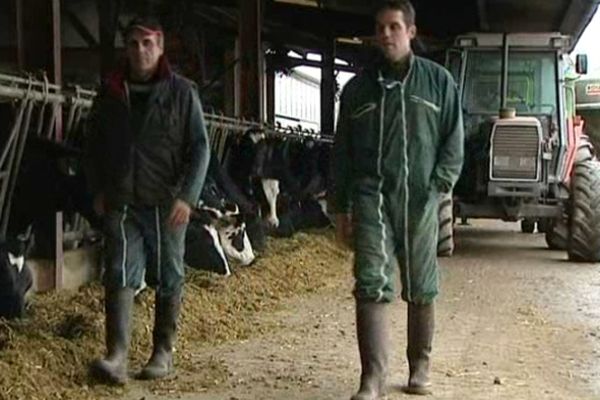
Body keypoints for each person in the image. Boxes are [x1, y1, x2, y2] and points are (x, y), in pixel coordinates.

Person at [329, 1, 464, 398]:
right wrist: (339, 207)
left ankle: (419, 367)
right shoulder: (357, 90)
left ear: (411, 32)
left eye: (393, 27)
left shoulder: (438, 82)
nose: (385, 34)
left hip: (421, 198)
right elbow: (342, 152)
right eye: (379, 27)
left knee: (422, 285)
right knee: (370, 282)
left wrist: (440, 186)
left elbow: (453, 141)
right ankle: (372, 376)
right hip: (372, 197)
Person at [85, 16, 210, 384]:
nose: (140, 51)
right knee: (119, 271)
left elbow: (201, 148)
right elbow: (91, 145)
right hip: (122, 199)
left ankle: (162, 352)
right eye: (134, 44)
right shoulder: (109, 92)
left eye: (148, 43)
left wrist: (188, 195)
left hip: (165, 201)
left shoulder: (182, 92)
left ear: (160, 47)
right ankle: (118, 355)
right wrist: (96, 190)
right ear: (127, 48)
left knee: (170, 274)